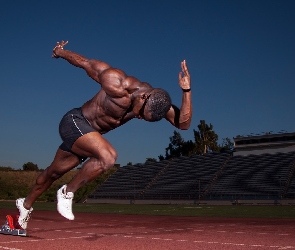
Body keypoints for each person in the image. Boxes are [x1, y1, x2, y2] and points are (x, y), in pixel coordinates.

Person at [16, 40, 192, 230]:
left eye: (144, 118)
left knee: (53, 173)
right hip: (75, 121)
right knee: (108, 157)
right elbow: (85, 62)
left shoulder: (156, 103)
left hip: (89, 137)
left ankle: (25, 205)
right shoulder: (116, 82)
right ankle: (67, 193)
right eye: (140, 113)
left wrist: (186, 91)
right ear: (143, 96)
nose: (139, 118)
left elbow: (183, 124)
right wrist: (60, 52)